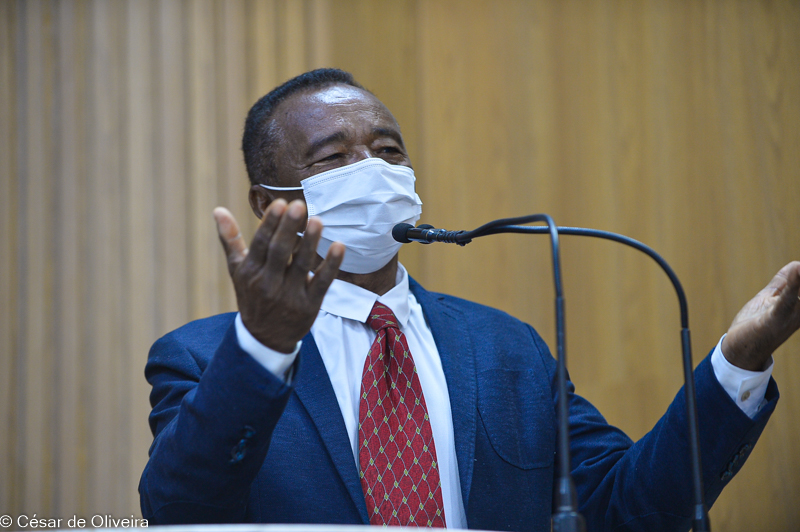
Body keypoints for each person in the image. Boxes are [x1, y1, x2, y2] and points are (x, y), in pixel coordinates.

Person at [139, 69, 800, 531]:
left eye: (388, 150)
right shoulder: (199, 358)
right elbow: (179, 512)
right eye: (333, 158)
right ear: (268, 202)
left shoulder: (506, 349)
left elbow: (626, 507)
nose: (374, 170)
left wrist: (740, 359)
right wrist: (264, 347)